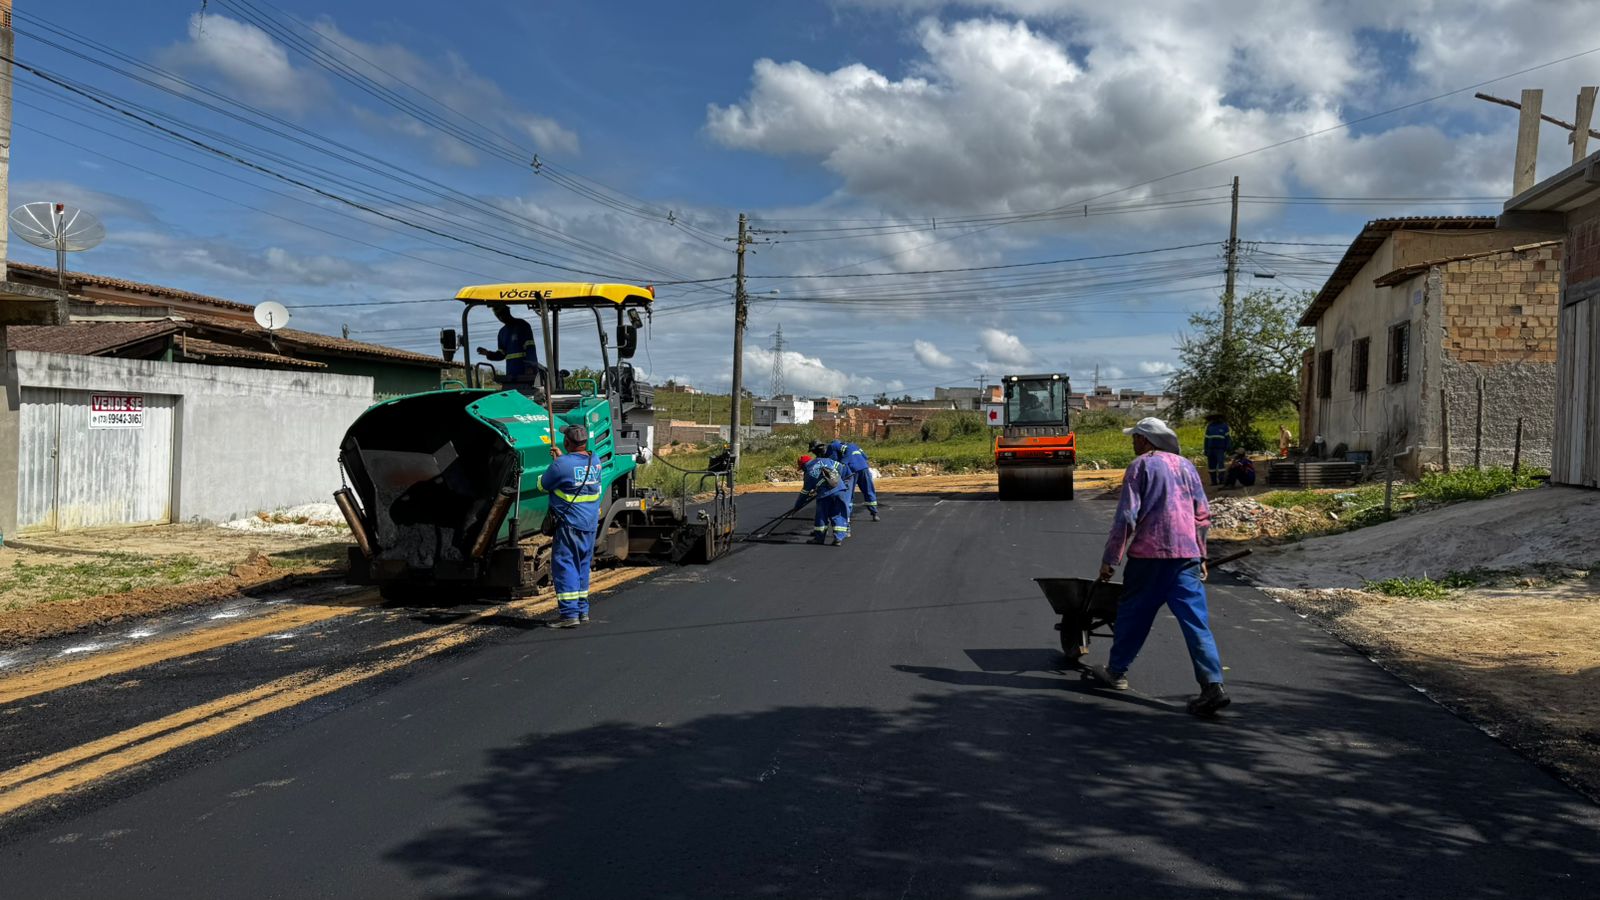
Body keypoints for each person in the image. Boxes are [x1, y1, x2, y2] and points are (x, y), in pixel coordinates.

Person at [1096, 417, 1230, 716]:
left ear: (1146, 440)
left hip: (1149, 558)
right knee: (1196, 623)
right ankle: (1213, 685)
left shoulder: (1141, 466)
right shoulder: (1187, 467)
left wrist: (1110, 560)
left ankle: (1116, 672)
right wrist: (1202, 554)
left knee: (1133, 617)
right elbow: (1202, 515)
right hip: (1186, 557)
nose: (1132, 443)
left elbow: (1127, 517)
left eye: (1135, 438)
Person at [539, 424, 603, 628]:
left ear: (567, 442)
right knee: (582, 565)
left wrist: (558, 463)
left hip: (570, 525)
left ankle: (568, 615)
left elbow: (543, 485)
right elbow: (574, 474)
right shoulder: (596, 460)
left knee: (566, 566)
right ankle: (582, 611)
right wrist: (562, 461)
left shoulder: (562, 465)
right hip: (590, 524)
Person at [792, 453, 850, 546]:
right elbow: (840, 467)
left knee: (821, 516)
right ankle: (838, 538)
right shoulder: (825, 460)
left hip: (825, 495)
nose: (802, 470)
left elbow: (804, 493)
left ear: (803, 465)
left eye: (802, 468)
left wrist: (797, 506)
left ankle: (819, 538)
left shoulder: (809, 474)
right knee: (837, 513)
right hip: (840, 490)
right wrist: (839, 480)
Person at [477, 305, 541, 382]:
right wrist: (488, 353)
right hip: (511, 373)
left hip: (526, 372)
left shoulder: (522, 325)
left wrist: (530, 367)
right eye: (498, 316)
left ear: (508, 311)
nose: (500, 318)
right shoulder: (502, 332)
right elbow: (501, 354)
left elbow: (530, 348)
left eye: (502, 314)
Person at [828, 439, 880, 521]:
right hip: (864, 468)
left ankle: (847, 515)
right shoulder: (854, 445)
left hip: (852, 470)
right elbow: (865, 456)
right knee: (869, 490)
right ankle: (874, 513)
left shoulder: (833, 445)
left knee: (849, 494)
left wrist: (843, 463)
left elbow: (835, 460)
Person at [1202, 414, 1232, 486]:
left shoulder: (1224, 426)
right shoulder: (1209, 427)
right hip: (1210, 449)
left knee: (1221, 464)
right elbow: (1206, 439)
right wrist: (1205, 449)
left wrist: (1228, 447)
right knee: (1211, 466)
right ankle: (1214, 481)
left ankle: (1221, 480)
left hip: (1220, 449)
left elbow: (1227, 438)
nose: (1216, 419)